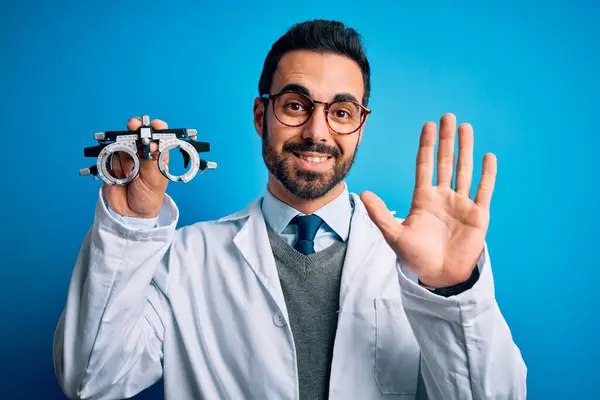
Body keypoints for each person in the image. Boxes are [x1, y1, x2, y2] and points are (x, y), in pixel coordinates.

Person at [53, 19, 527, 400]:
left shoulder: (417, 261)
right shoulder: (186, 259)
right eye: (296, 105)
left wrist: (450, 292)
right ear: (261, 116)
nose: (317, 132)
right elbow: (90, 381)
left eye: (341, 112)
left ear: (360, 126)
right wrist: (128, 227)